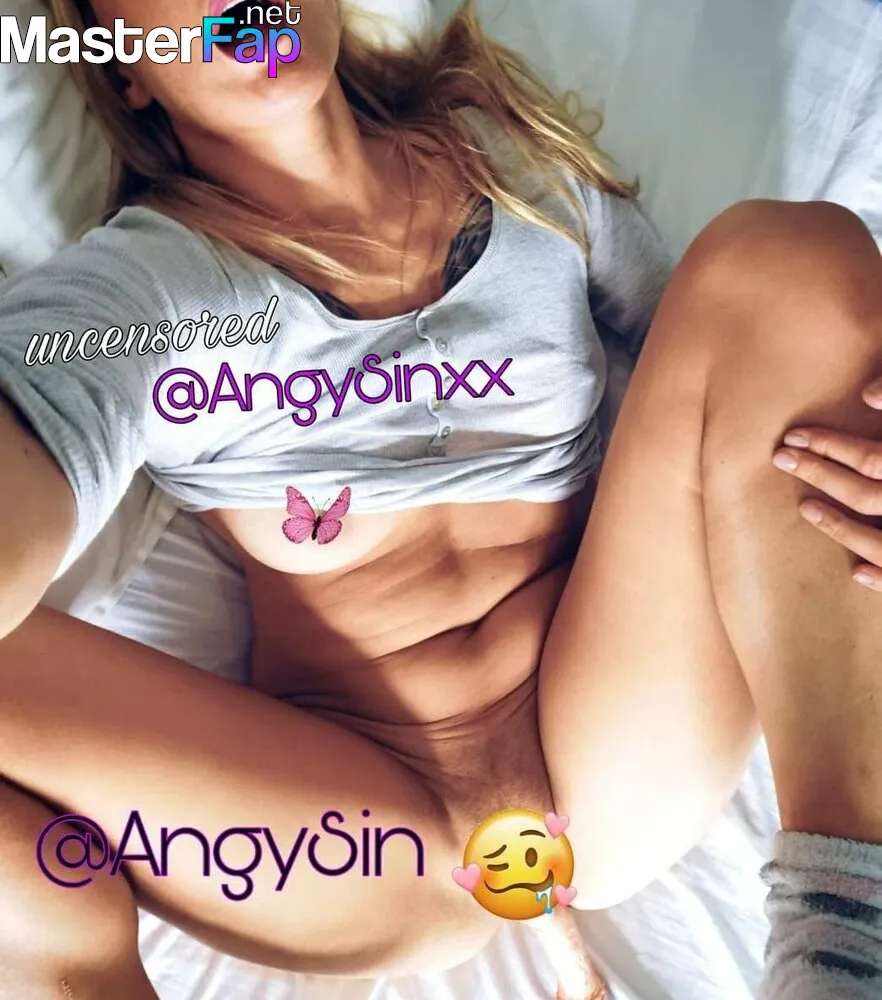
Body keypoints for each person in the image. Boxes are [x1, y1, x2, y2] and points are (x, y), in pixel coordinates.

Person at [0, 0, 879, 997]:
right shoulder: (141, 291)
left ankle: (847, 941)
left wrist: (846, 406)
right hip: (367, 839)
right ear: (125, 67)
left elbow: (740, 354)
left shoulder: (513, 163)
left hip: (610, 754)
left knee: (786, 255)